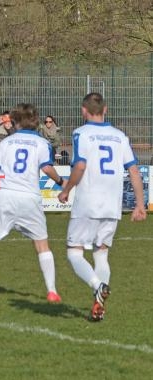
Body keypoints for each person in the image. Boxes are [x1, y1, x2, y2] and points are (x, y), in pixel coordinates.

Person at [58, 92, 147, 321]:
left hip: (88, 202)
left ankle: (97, 285)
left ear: (83, 111)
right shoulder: (120, 136)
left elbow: (80, 165)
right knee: (101, 253)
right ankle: (98, 304)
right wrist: (140, 204)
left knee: (74, 253)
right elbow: (134, 171)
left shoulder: (81, 133)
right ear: (105, 109)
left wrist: (67, 189)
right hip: (111, 205)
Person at [0, 103, 64, 303]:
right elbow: (47, 169)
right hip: (30, 197)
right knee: (41, 245)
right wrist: (61, 182)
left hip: (6, 195)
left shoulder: (6, 143)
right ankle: (52, 290)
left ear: (16, 121)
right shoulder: (42, 144)